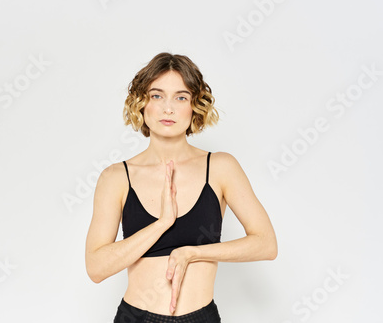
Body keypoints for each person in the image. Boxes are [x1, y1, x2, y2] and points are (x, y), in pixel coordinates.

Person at [85, 52, 278, 323]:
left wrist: (194, 252)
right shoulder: (116, 177)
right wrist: (162, 223)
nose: (168, 108)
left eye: (181, 97)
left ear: (194, 106)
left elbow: (266, 244)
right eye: (156, 95)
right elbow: (96, 268)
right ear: (141, 104)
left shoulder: (221, 167)